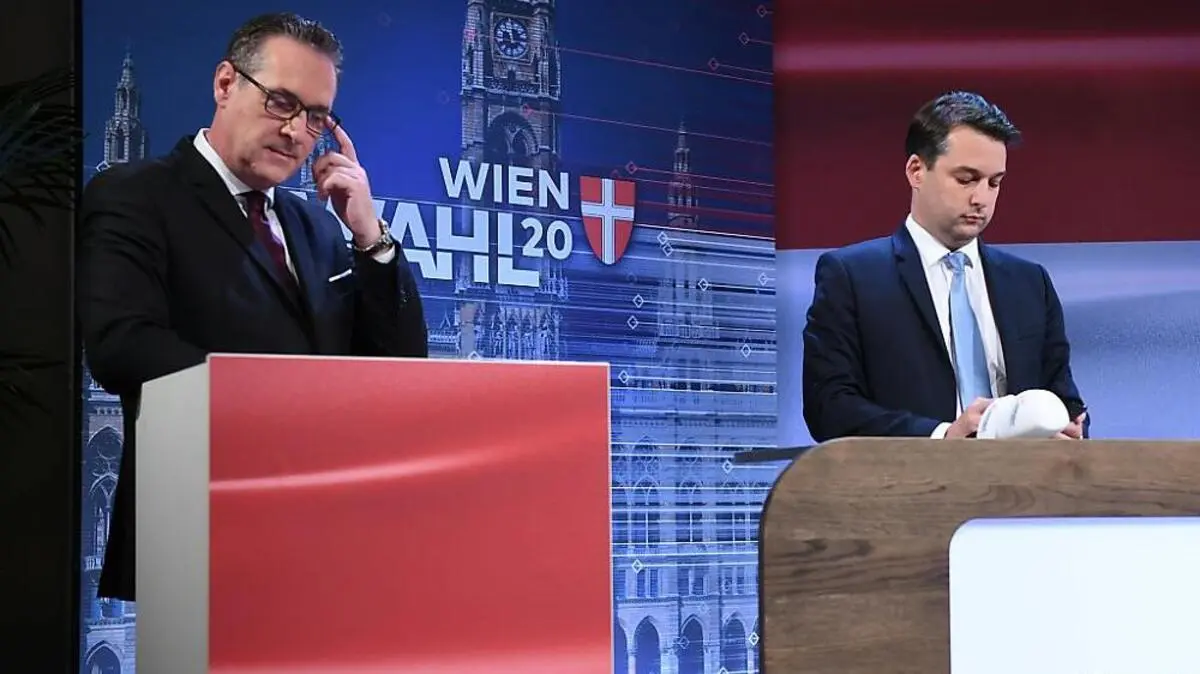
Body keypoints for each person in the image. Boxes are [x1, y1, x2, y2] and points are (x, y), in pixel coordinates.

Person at [76, 12, 428, 602]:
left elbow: (397, 367)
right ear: (225, 84)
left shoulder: (317, 227)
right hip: (200, 538)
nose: (295, 131)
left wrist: (371, 239)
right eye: (281, 102)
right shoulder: (136, 196)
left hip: (329, 545)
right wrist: (288, 406)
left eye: (315, 117)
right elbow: (121, 346)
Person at [801, 90, 1087, 443]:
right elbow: (829, 406)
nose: (981, 198)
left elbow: (1063, 397)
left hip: (1022, 478)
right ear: (916, 171)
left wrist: (1069, 427)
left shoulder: (1030, 283)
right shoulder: (852, 277)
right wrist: (943, 437)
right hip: (906, 476)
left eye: (994, 183)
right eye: (966, 179)